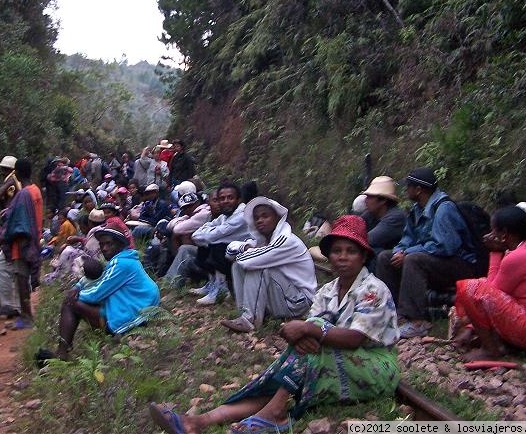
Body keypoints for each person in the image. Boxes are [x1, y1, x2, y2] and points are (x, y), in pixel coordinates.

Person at [149, 215, 399, 434]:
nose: (342, 257)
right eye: (337, 251)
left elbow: (355, 337)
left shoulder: (372, 289)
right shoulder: (327, 291)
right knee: (298, 362)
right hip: (332, 356)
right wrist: (302, 333)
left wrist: (309, 330)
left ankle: (275, 412)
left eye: (351, 251)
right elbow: (315, 330)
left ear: (363, 255)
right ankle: (200, 422)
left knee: (310, 341)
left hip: (373, 364)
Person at [375, 167, 478, 338]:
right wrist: (400, 250)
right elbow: (408, 237)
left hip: (460, 264)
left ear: (418, 189)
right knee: (385, 257)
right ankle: (391, 314)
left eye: (408, 186)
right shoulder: (416, 210)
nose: (405, 190)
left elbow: (445, 246)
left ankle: (416, 320)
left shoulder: (444, 209)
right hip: (435, 261)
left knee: (414, 260)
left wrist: (407, 253)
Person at [38, 221, 160, 361]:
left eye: (109, 244)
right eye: (102, 244)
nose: (104, 248)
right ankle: (63, 350)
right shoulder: (124, 260)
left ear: (120, 245)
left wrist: (74, 296)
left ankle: (62, 353)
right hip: (134, 310)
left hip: (128, 317)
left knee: (70, 303)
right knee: (77, 299)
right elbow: (99, 280)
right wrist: (77, 287)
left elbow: (96, 294)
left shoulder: (121, 264)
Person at [455, 206, 526, 361]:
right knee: (479, 285)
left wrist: (494, 252)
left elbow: (488, 294)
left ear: (504, 234)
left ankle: (491, 350)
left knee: (471, 288)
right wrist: (472, 329)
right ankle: (491, 341)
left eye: (493, 231)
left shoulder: (517, 257)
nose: (489, 236)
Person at [222, 197, 317, 333]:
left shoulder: (285, 240)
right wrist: (247, 247)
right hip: (284, 295)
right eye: (256, 218)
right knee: (237, 266)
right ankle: (243, 313)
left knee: (259, 267)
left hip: (299, 302)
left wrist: (248, 251)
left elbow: (248, 261)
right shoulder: (264, 241)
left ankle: (249, 320)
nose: (260, 220)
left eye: (265, 216)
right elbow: (229, 252)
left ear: (277, 218)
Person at [0, 158, 43, 329]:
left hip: (22, 243)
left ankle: (26, 317)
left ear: (15, 173)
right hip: (34, 237)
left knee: (22, 280)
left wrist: (4, 236)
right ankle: (25, 315)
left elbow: (18, 222)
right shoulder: (36, 190)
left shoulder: (23, 194)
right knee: (23, 279)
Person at [190, 183, 251, 305]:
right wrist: (208, 233)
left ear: (238, 200)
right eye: (222, 198)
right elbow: (198, 234)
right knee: (205, 246)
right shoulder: (224, 216)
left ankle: (222, 289)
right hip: (231, 251)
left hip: (246, 253)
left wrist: (208, 234)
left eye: (230, 197)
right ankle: (213, 283)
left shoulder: (241, 216)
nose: (226, 201)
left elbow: (211, 235)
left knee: (216, 245)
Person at [163, 192, 213, 286]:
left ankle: (171, 282)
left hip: (210, 253)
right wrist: (184, 219)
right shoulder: (192, 215)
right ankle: (173, 278)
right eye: (185, 207)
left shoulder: (203, 213)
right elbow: (170, 225)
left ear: (197, 203)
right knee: (179, 238)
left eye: (190, 205)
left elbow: (176, 229)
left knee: (183, 244)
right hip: (204, 251)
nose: (188, 209)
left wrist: (182, 221)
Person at [358, 176, 406, 269]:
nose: (365, 200)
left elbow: (367, 240)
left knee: (369, 252)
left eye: (370, 197)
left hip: (396, 265)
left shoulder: (396, 217)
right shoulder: (370, 214)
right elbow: (353, 230)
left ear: (383, 200)